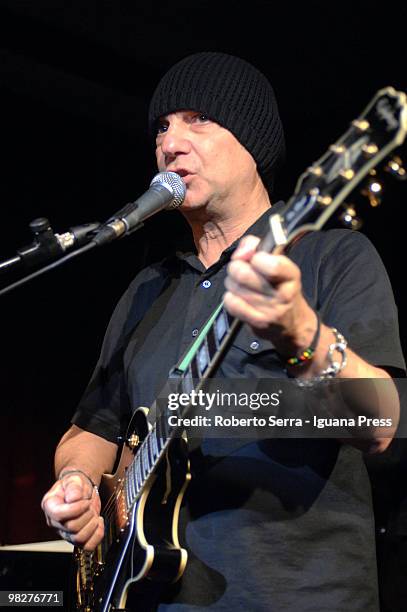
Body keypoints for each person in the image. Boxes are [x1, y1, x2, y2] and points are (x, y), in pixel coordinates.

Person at [41, 52, 405, 611]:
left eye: (198, 119)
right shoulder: (148, 289)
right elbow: (91, 431)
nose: (170, 141)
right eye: (161, 127)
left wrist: (301, 333)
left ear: (254, 144)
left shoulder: (333, 258)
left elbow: (381, 420)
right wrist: (77, 484)